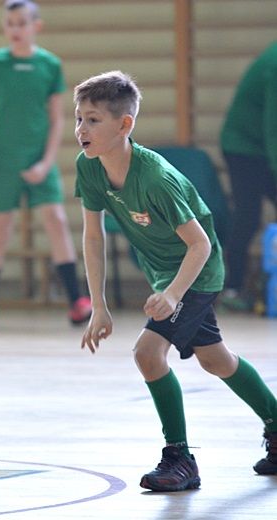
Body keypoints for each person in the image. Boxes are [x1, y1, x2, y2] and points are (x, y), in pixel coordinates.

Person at [74, 70, 277, 492]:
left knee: (148, 354)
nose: (81, 129)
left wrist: (172, 292)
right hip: (167, 275)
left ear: (124, 125)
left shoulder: (155, 179)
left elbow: (200, 245)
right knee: (215, 360)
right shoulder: (89, 168)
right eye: (78, 119)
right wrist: (99, 304)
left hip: (197, 271)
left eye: (93, 120)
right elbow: (93, 238)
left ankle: (180, 458)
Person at [0, 0, 90, 327]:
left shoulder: (50, 65)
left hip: (40, 160)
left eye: (22, 23)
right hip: (2, 161)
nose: (15, 29)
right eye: (10, 23)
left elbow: (57, 120)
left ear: (36, 26)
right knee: (1, 229)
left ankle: (76, 299)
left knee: (56, 220)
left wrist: (46, 162)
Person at [218, 41, 277, 311]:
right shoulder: (274, 64)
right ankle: (234, 287)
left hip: (262, 146)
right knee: (248, 217)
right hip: (243, 148)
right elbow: (273, 127)